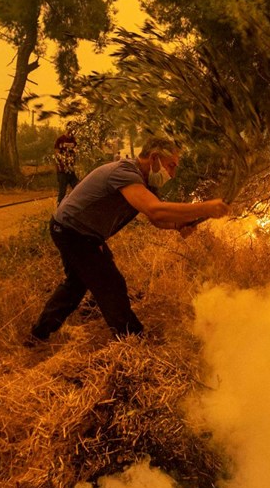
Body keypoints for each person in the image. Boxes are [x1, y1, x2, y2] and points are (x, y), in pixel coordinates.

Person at [26, 137, 229, 344]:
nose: (172, 174)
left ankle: (37, 336)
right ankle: (132, 340)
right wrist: (206, 208)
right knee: (110, 283)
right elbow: (155, 210)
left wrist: (178, 225)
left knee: (76, 285)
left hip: (80, 232)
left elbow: (156, 219)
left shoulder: (144, 180)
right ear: (155, 158)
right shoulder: (125, 173)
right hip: (72, 231)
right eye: (171, 166)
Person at [54, 129, 79, 204]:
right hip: (62, 170)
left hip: (71, 170)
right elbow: (56, 153)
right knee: (62, 192)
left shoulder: (74, 141)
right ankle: (59, 210)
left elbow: (76, 152)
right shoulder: (60, 140)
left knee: (77, 188)